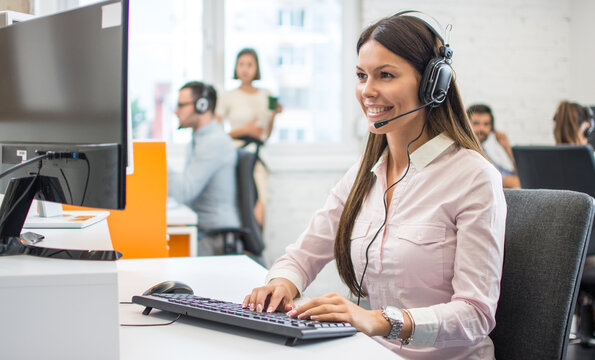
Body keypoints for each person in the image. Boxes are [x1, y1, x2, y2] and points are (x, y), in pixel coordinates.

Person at [243, 12, 507, 359]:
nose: (367, 90)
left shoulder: (473, 177)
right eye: (361, 76)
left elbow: (476, 314)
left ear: (432, 84)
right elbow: (303, 253)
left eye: (386, 75)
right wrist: (281, 284)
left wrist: (378, 321)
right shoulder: (363, 174)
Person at [168, 81, 240, 255]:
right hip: (204, 232)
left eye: (181, 105)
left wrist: (156, 161)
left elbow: (184, 191)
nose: (176, 111)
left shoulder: (213, 142)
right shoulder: (198, 139)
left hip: (215, 239)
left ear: (202, 106)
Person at [215, 48, 282, 226]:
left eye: (250, 65)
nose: (245, 69)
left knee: (260, 204)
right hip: (236, 155)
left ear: (256, 68)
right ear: (236, 67)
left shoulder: (266, 94)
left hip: (257, 156)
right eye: (241, 64)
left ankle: (255, 248)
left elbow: (266, 134)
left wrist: (274, 115)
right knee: (239, 204)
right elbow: (218, 135)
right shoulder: (227, 96)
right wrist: (245, 130)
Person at [467, 104, 520, 188]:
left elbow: (518, 175)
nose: (481, 128)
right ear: (467, 125)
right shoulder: (470, 151)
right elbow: (510, 182)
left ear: (491, 128)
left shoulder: (483, 150)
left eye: (486, 124)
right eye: (476, 123)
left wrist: (507, 149)